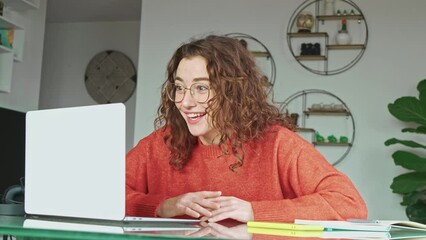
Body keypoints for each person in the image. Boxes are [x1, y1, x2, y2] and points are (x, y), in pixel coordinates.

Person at [126, 34, 368, 223]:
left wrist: (255, 211)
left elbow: (348, 203)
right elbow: (100, 195)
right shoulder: (160, 143)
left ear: (233, 92)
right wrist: (163, 206)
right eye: (180, 88)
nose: (186, 102)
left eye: (201, 88)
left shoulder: (278, 144)